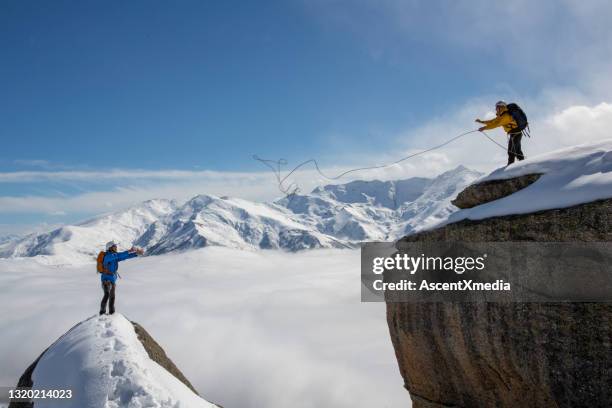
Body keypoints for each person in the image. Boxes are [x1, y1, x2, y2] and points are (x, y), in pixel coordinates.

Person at [99, 241, 144, 315]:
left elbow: (124, 256)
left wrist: (136, 254)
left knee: (112, 296)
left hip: (112, 279)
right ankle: (102, 312)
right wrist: (129, 251)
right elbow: (118, 255)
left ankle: (111, 312)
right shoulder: (107, 256)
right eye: (114, 246)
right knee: (107, 294)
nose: (116, 248)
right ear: (109, 248)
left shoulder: (114, 256)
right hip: (106, 280)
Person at [476, 101, 526, 165]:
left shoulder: (506, 116)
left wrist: (484, 128)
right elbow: (492, 121)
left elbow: (495, 124)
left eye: (497, 107)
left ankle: (515, 165)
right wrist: (481, 122)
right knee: (515, 150)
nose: (496, 109)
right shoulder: (502, 115)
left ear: (501, 107)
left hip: (515, 133)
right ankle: (520, 164)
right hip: (515, 133)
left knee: (513, 151)